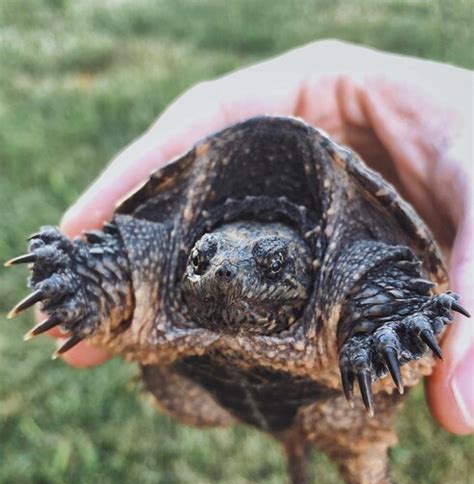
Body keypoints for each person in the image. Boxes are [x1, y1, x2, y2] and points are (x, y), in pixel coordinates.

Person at [48, 40, 474, 435]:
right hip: (199, 394)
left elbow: (386, 292)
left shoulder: (353, 258)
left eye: (269, 264)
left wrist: (387, 326)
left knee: (355, 444)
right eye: (202, 260)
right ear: (187, 252)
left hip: (341, 408)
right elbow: (125, 256)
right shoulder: (162, 248)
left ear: (310, 264)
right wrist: (87, 279)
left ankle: (368, 473)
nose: (226, 272)